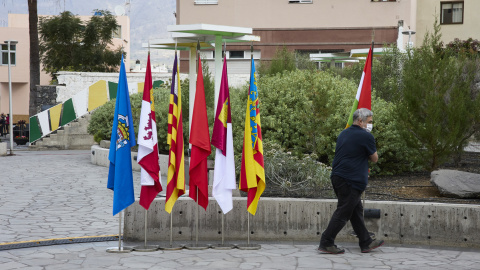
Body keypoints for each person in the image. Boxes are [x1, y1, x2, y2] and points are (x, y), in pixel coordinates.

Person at [318, 108, 384, 254]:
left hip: (339, 177)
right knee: (343, 212)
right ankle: (326, 242)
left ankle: (366, 242)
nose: (370, 125)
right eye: (369, 122)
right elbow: (375, 158)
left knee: (355, 211)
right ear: (360, 121)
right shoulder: (366, 136)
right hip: (351, 180)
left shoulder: (343, 133)